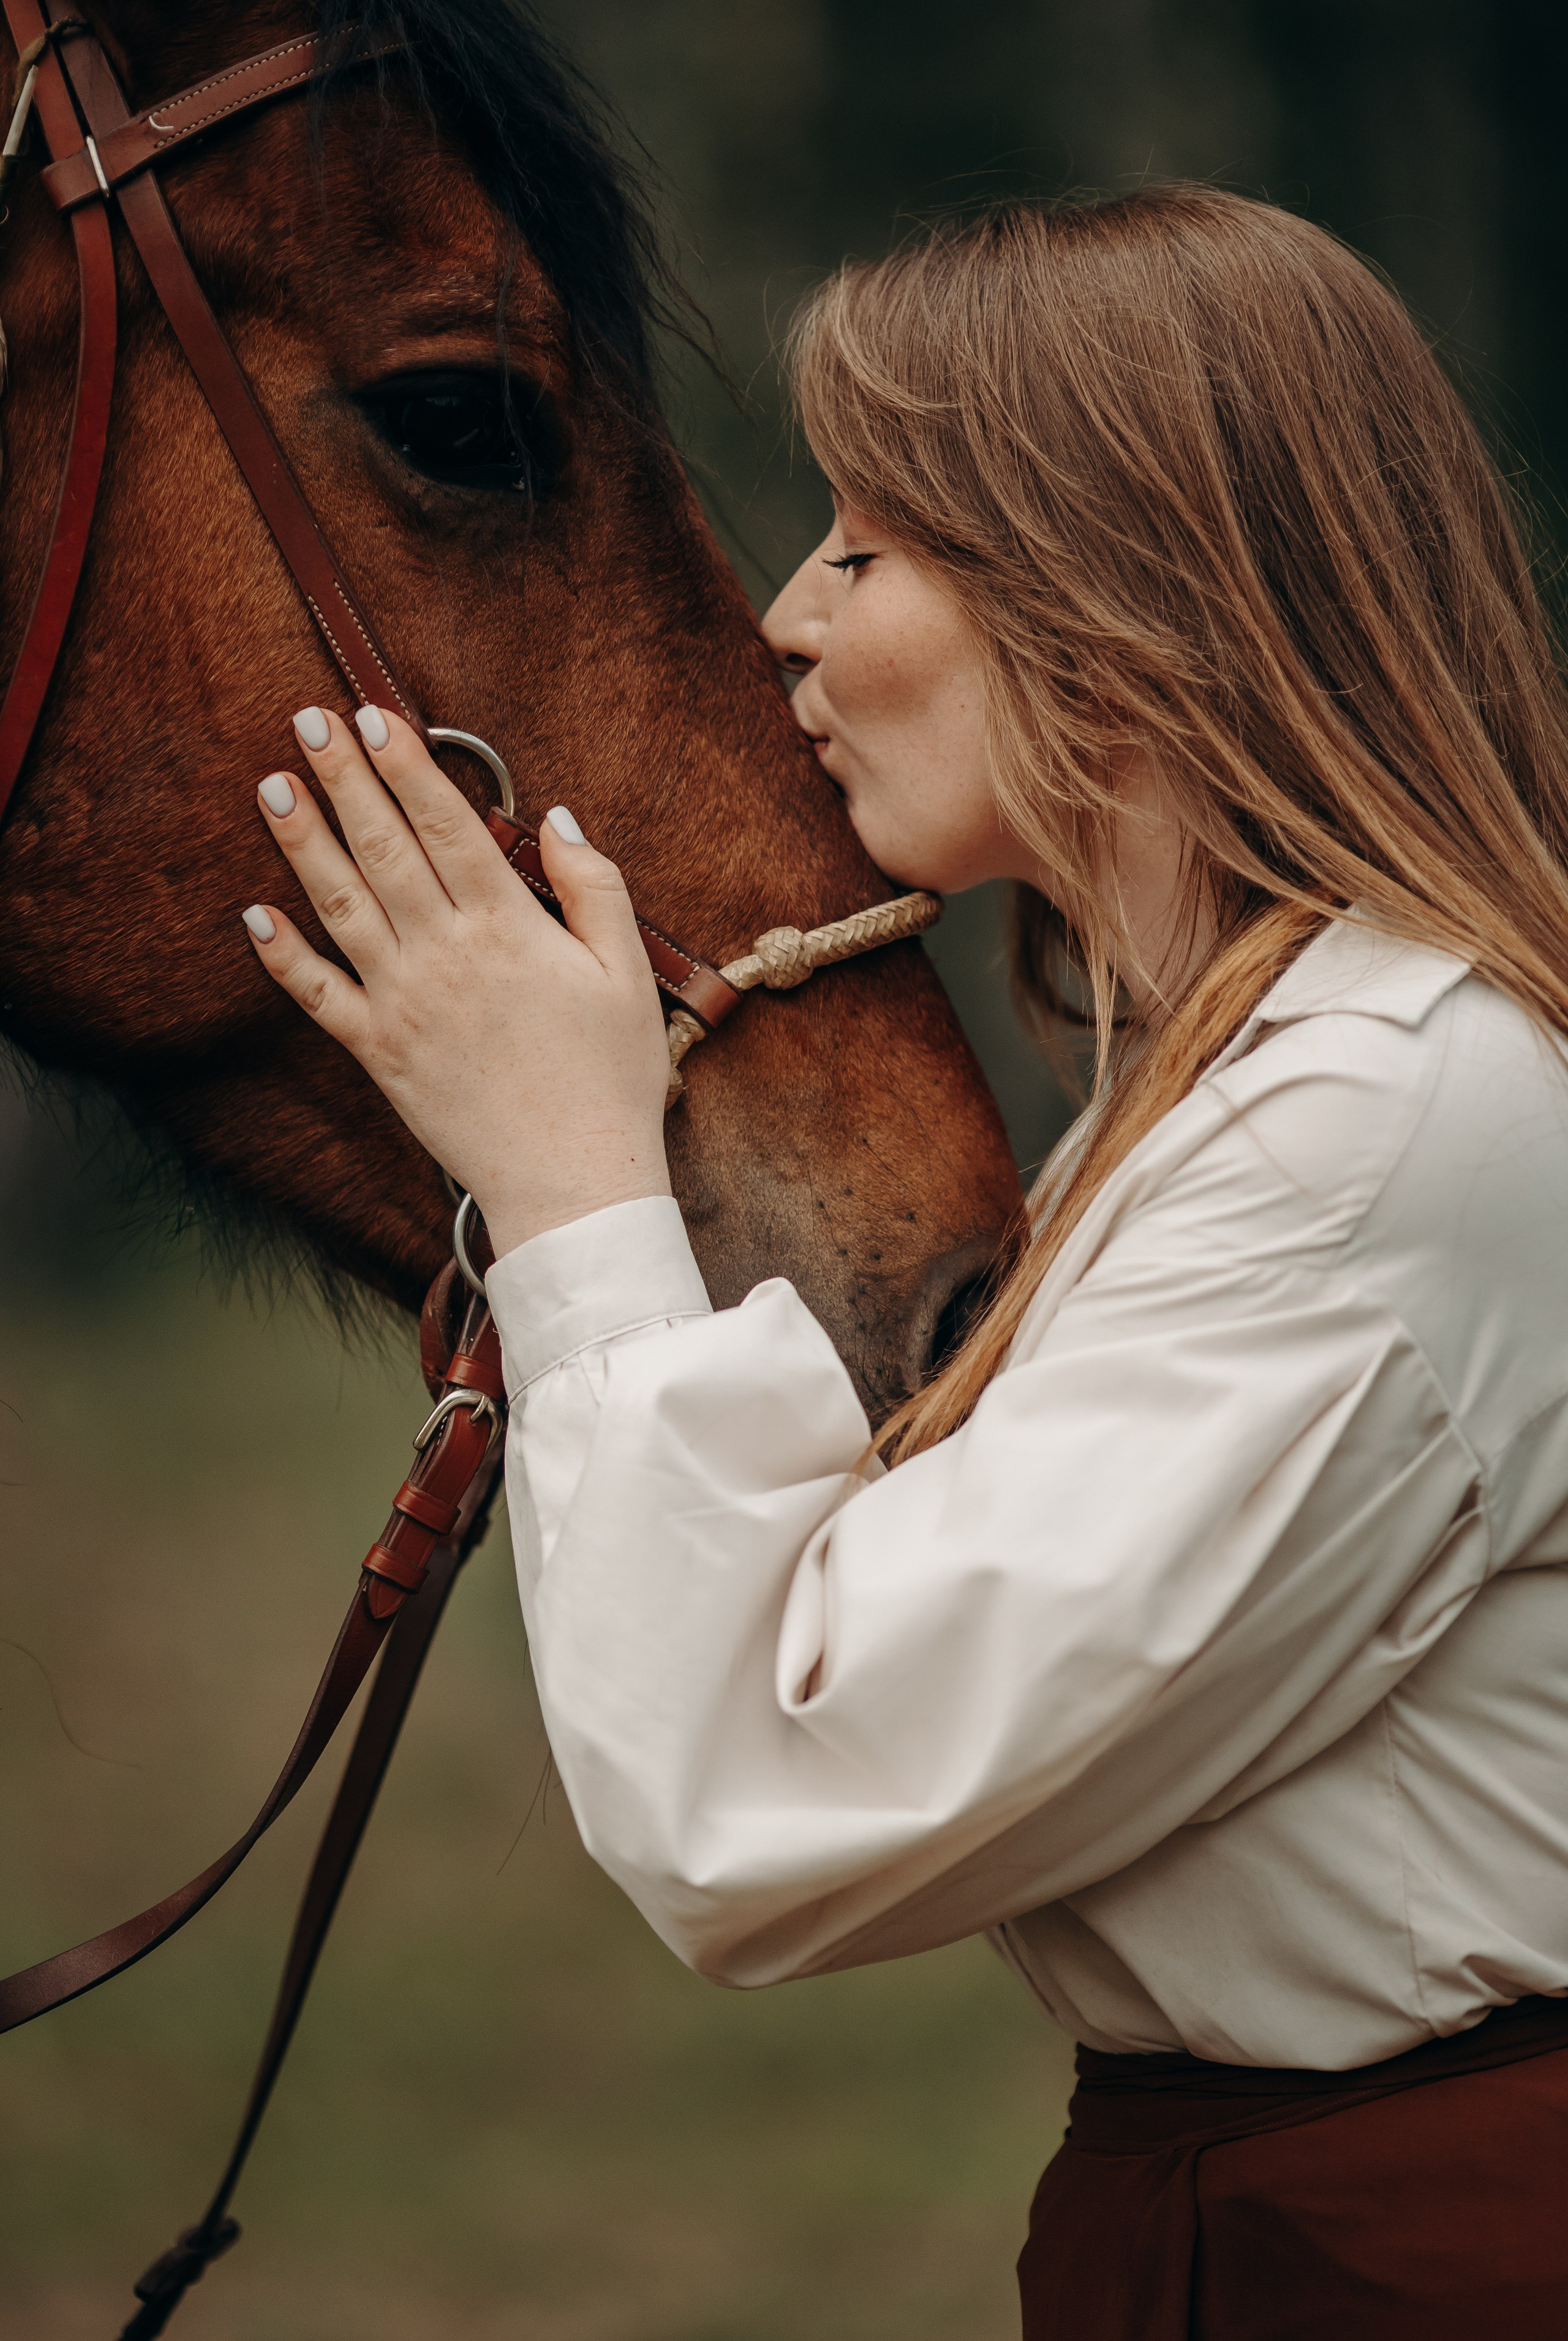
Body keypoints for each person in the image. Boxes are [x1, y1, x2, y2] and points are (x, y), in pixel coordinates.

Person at [238, 185, 1568, 2337]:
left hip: (1428, 2250)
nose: (784, 616)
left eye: (864, 546)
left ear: (1119, 587)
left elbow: (767, 1800)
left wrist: (579, 1187)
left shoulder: (1384, 1114)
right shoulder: (1256, 1078)